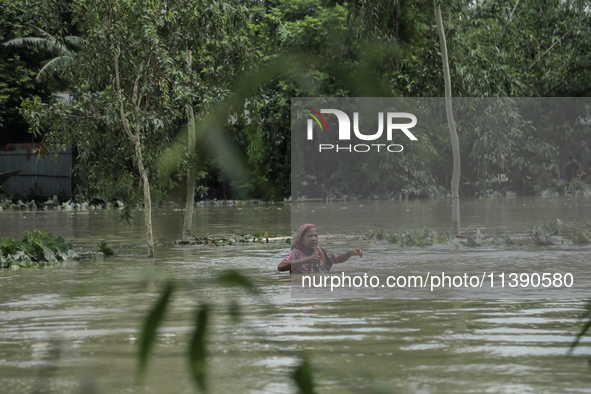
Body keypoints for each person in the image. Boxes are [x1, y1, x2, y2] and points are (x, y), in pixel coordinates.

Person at [278, 223, 363, 273]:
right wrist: (305, 260)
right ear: (301, 240)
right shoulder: (295, 253)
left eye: (315, 236)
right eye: (310, 236)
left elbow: (338, 259)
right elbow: (281, 267)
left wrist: (349, 253)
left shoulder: (320, 251)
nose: (314, 239)